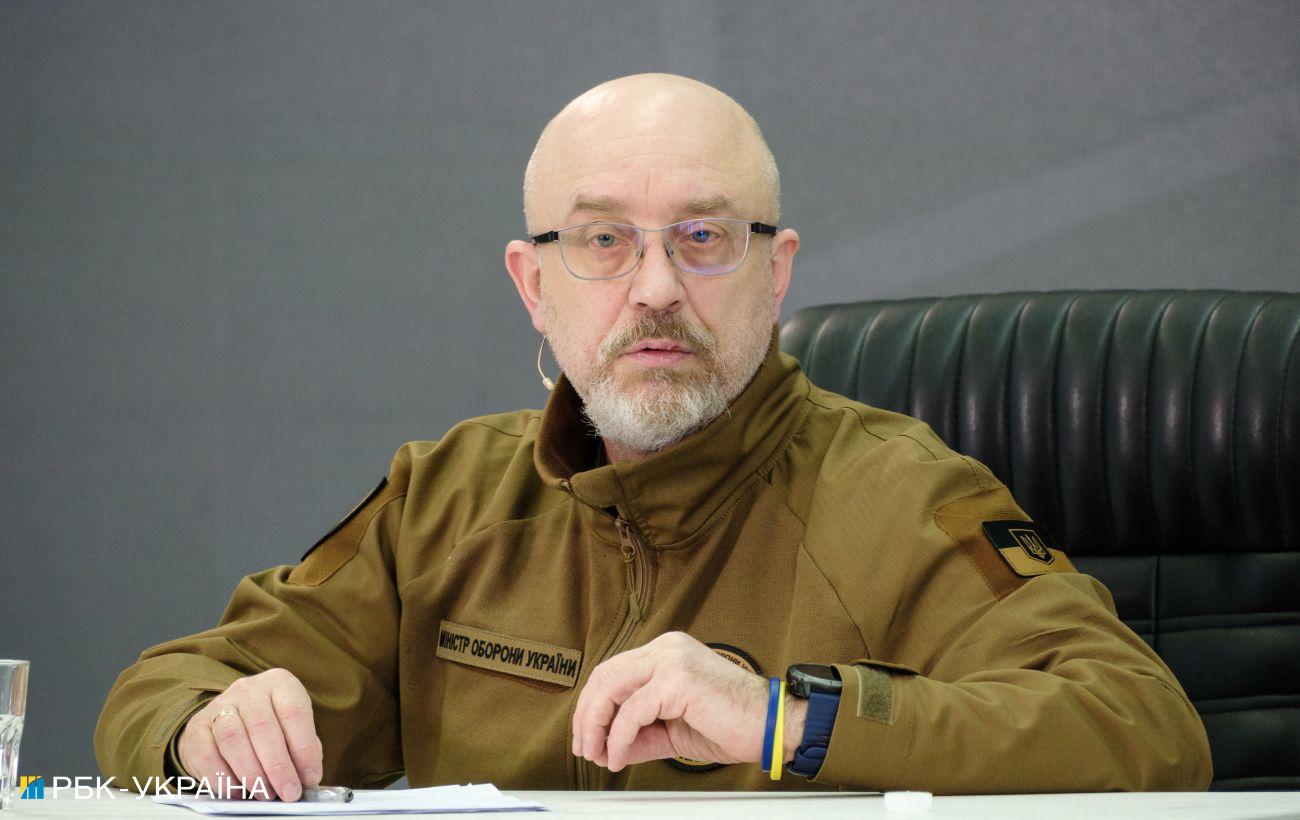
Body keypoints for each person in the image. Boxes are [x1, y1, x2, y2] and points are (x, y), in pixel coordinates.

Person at [95, 73, 1212, 798]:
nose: (657, 287)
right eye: (603, 241)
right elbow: (167, 688)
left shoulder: (903, 498)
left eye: (703, 238)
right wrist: (202, 733)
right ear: (534, 285)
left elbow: (1145, 731)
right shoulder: (444, 498)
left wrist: (782, 720)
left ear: (776, 272)